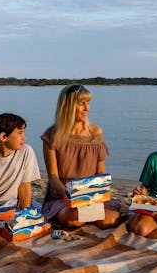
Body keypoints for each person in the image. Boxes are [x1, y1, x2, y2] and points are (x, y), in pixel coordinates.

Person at [41, 84, 121, 228]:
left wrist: (98, 194)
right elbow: (53, 177)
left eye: (88, 103)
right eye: (81, 104)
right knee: (74, 219)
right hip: (63, 196)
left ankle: (91, 213)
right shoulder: (52, 135)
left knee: (109, 220)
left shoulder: (95, 133)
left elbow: (100, 173)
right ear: (68, 107)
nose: (87, 108)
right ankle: (88, 214)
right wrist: (68, 195)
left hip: (91, 194)